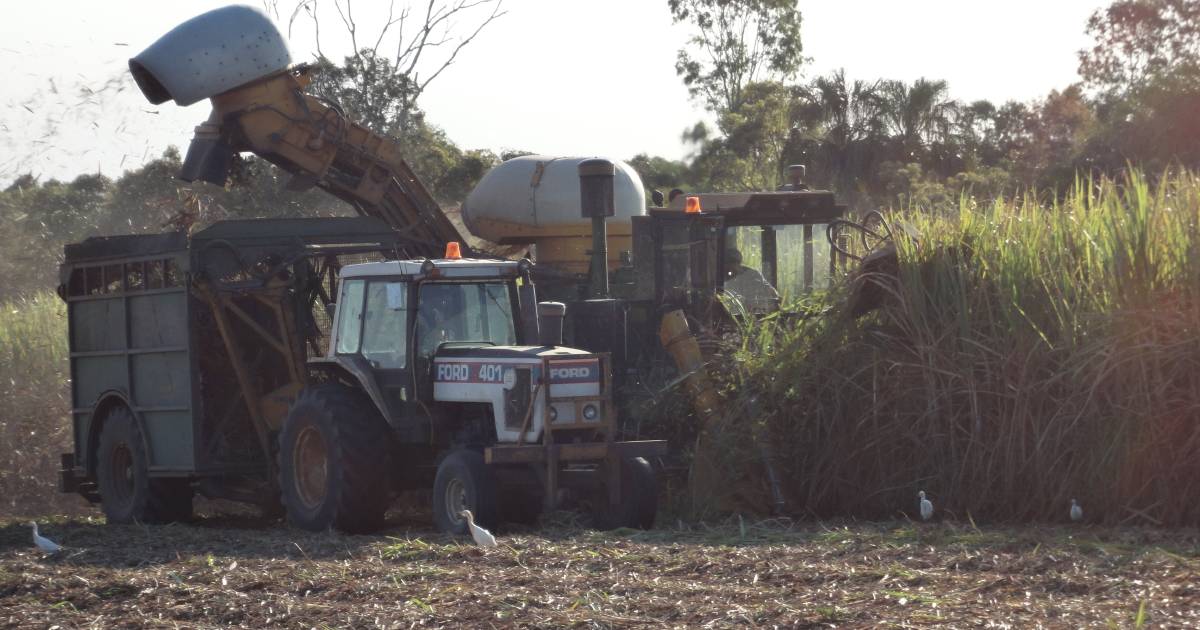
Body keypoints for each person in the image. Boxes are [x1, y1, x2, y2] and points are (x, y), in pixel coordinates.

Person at [723, 246, 780, 314]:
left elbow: (771, 292)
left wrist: (776, 299)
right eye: (728, 262)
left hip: (751, 316)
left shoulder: (752, 274)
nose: (731, 268)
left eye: (735, 262)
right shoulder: (716, 276)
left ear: (739, 263)